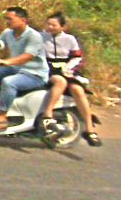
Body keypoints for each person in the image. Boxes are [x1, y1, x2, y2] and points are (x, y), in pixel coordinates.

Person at [0, 7, 49, 130]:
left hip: (34, 73)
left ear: (23, 20)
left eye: (10, 19)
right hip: (15, 69)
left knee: (9, 82)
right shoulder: (8, 33)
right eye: (6, 19)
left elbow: (28, 56)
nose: (7, 22)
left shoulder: (34, 36)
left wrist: (5, 62)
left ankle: (2, 115)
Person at [40, 12, 103, 147]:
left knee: (78, 90)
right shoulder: (41, 37)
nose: (50, 27)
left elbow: (77, 57)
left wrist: (68, 68)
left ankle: (89, 130)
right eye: (48, 24)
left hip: (67, 70)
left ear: (63, 27)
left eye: (54, 25)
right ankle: (48, 114)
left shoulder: (70, 39)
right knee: (60, 81)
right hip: (48, 70)